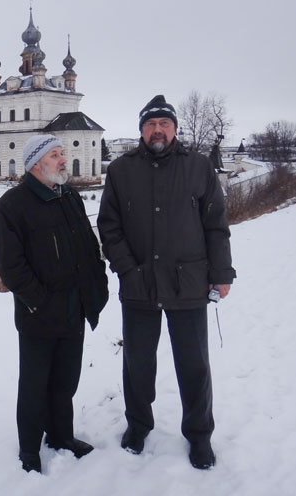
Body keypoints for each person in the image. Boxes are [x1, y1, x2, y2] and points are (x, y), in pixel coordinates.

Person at [97, 95, 236, 470]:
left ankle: (199, 436)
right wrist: (127, 268)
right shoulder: (121, 171)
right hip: (139, 284)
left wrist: (221, 273)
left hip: (187, 283)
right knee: (137, 364)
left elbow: (216, 224)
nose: (157, 130)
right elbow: (108, 226)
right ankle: (138, 426)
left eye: (164, 124)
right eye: (150, 124)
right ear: (141, 130)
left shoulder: (197, 167)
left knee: (194, 366)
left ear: (174, 129)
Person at [0, 134, 109, 473]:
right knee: (34, 384)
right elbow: (10, 265)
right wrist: (38, 301)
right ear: (35, 164)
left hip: (76, 306)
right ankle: (29, 449)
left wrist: (96, 281)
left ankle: (61, 436)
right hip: (39, 314)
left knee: (66, 380)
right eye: (55, 155)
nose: (62, 159)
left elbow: (87, 244)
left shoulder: (69, 196)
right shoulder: (14, 205)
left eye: (62, 153)